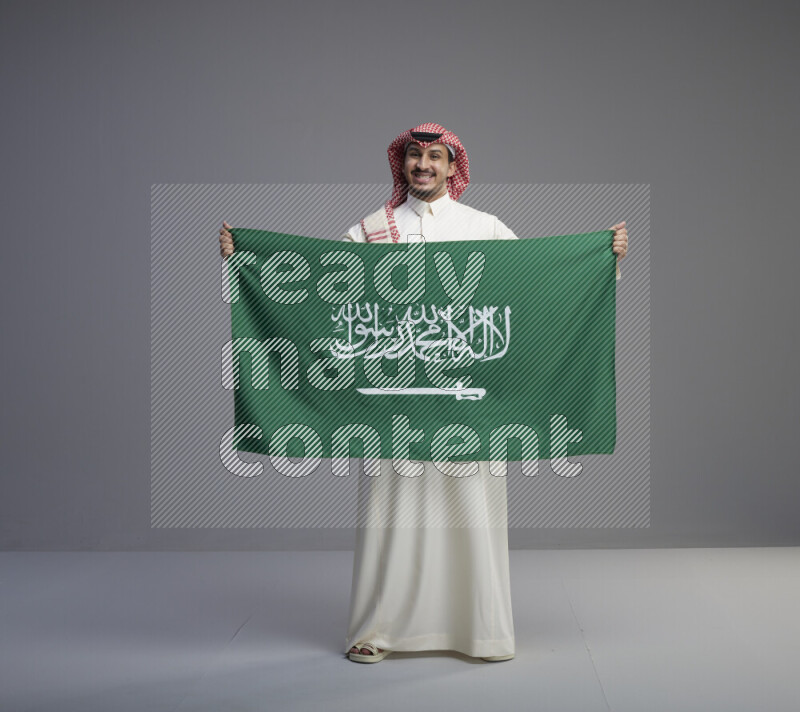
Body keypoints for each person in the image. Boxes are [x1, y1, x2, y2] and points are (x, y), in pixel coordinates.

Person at [217, 123, 628, 664]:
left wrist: (604, 261)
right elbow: (320, 297)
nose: (423, 166)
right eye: (415, 156)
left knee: (471, 514)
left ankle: (480, 633)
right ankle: (375, 630)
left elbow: (534, 293)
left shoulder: (484, 228)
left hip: (469, 404)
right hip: (392, 407)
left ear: (454, 168)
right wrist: (247, 261)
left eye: (435, 157)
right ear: (401, 164)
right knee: (390, 519)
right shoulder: (370, 231)